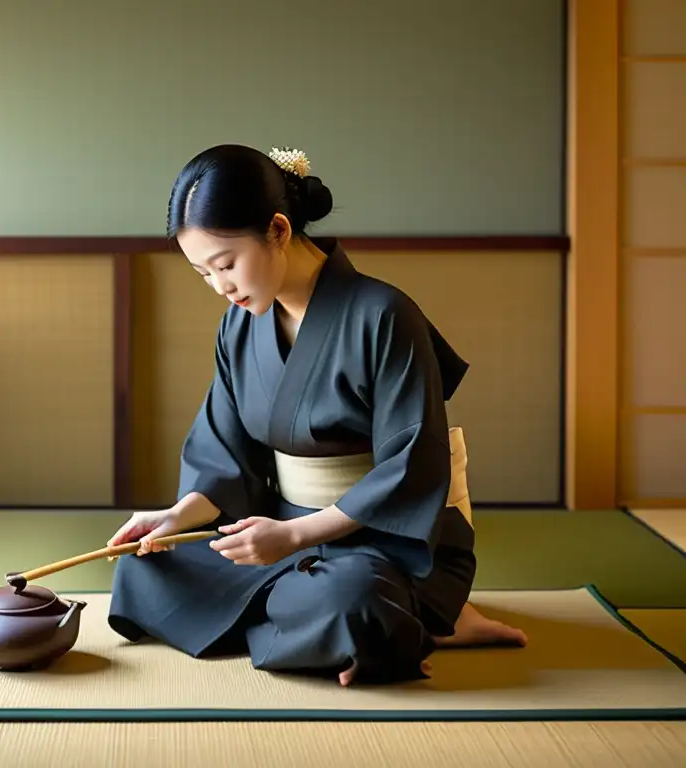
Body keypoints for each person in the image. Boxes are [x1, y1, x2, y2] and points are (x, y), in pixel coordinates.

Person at [106, 144, 526, 686]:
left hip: (382, 540)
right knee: (144, 571)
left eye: (226, 264)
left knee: (352, 600)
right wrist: (177, 517)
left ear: (279, 230)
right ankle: (370, 627)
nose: (220, 287)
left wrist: (298, 537)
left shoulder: (385, 316)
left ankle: (417, 613)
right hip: (279, 531)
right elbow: (226, 449)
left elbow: (413, 465)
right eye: (202, 273)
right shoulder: (240, 326)